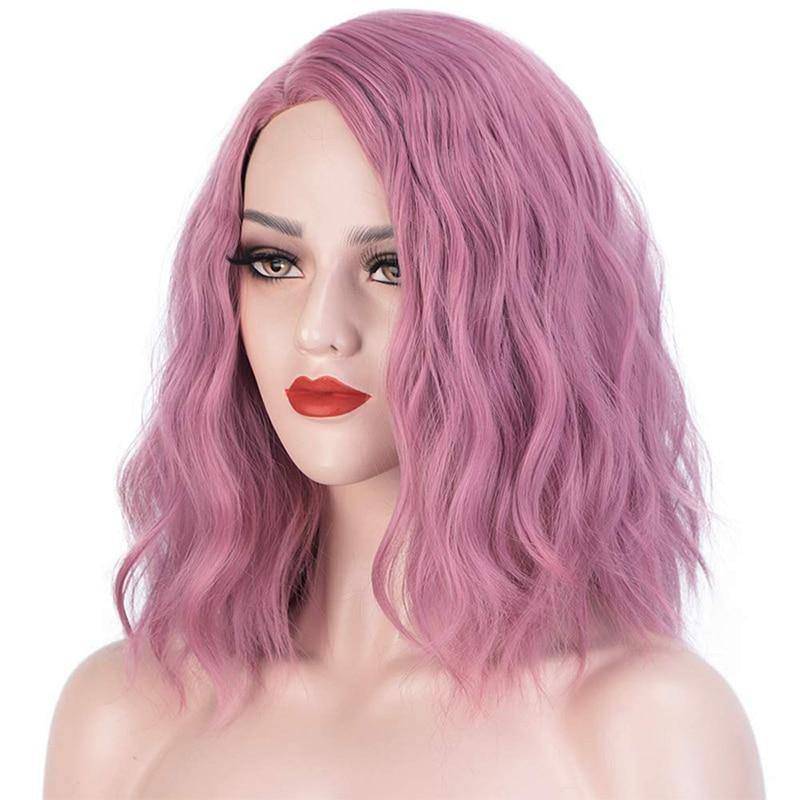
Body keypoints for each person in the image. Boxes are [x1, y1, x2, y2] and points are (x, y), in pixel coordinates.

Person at [44, 10, 765, 798]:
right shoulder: (124, 719)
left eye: (393, 267)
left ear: (520, 304)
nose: (320, 330)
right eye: (276, 262)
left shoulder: (643, 729)